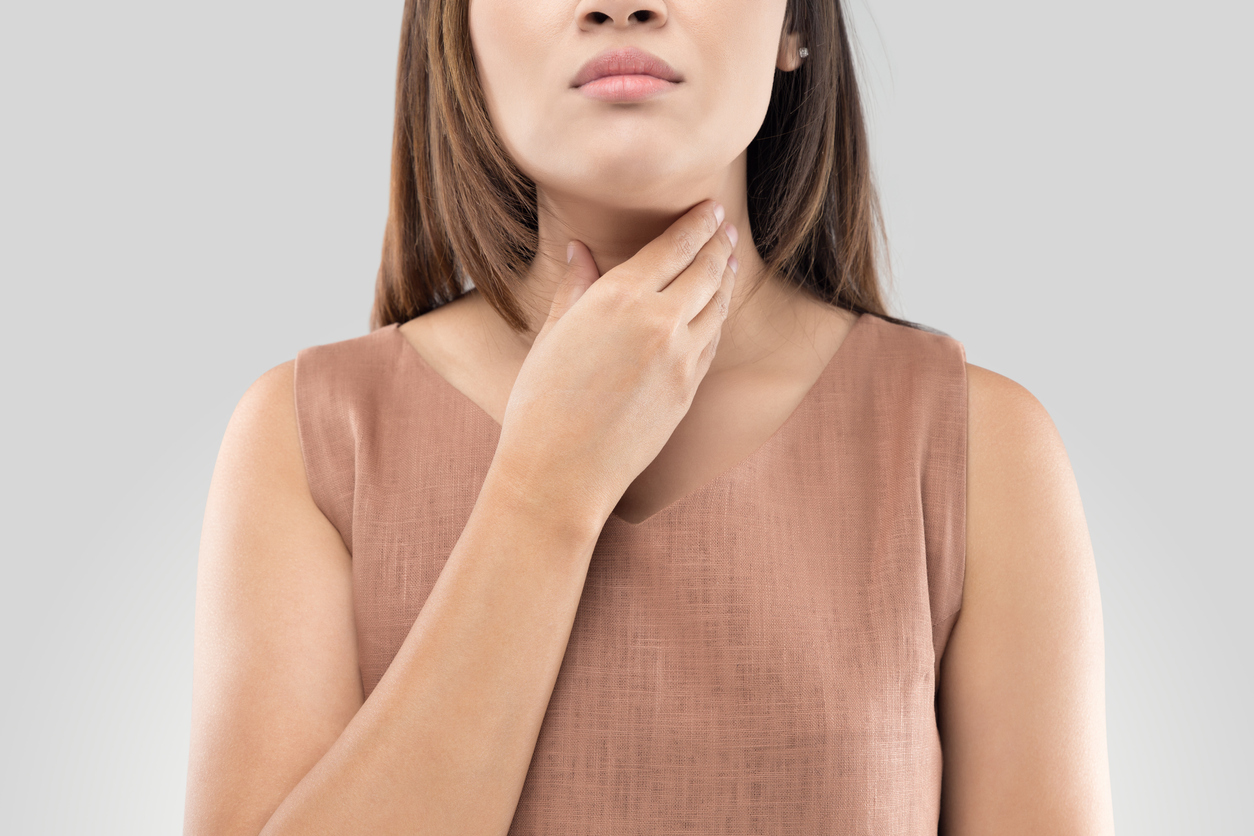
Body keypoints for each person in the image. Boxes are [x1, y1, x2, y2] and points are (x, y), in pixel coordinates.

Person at [184, 1, 1115, 833]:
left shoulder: (975, 448)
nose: (619, 5)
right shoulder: (309, 438)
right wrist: (544, 489)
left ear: (794, 25)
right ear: (458, 32)